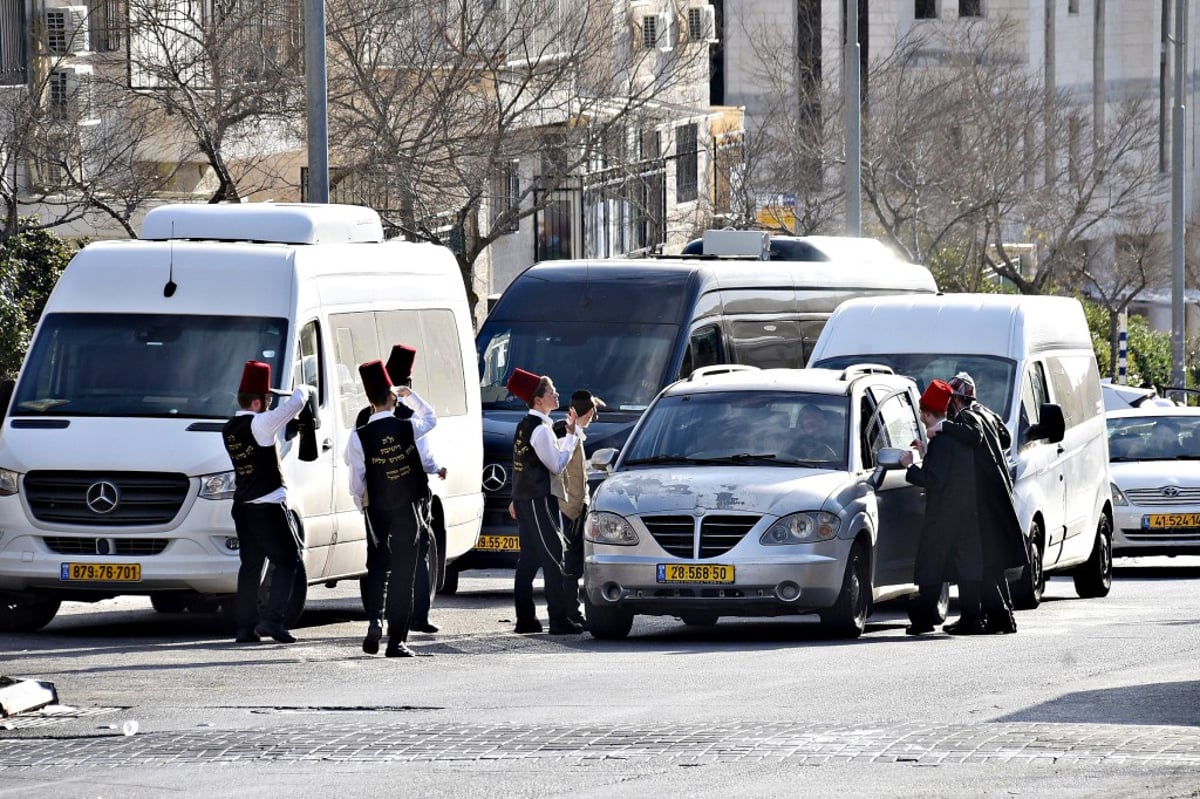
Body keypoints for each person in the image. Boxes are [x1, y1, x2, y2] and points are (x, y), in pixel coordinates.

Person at [346, 359, 438, 657]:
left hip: (377, 510)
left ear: (369, 401)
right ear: (392, 397)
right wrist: (409, 394)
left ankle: (374, 620)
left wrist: (364, 507)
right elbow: (431, 417)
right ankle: (396, 640)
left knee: (376, 569)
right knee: (403, 574)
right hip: (407, 508)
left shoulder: (357, 436)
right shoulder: (408, 425)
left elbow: (356, 482)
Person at [222, 360, 314, 644]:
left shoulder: (229, 428)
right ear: (259, 401)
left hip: (243, 505)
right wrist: (305, 387)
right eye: (269, 399)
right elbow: (296, 402)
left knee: (250, 567)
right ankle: (273, 619)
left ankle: (245, 627)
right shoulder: (260, 424)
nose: (272, 402)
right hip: (268, 506)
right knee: (289, 560)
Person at [936, 372, 1029, 635]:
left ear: (956, 400)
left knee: (979, 562)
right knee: (991, 561)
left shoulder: (968, 417)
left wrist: (942, 427)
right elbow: (1006, 439)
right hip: (995, 498)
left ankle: (984, 617)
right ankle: (1001, 616)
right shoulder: (987, 412)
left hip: (981, 501)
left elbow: (973, 436)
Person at [899, 379, 979, 636]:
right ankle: (971, 616)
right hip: (962, 512)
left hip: (942, 516)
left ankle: (923, 618)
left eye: (922, 414)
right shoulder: (952, 438)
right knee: (964, 566)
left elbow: (932, 479)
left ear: (926, 413)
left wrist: (909, 467)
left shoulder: (943, 442)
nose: (922, 420)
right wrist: (926, 452)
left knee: (930, 568)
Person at [507, 367, 582, 635]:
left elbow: (518, 465)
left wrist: (514, 498)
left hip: (526, 500)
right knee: (553, 557)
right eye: (551, 391)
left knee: (528, 560)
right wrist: (572, 436)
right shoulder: (540, 430)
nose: (556, 394)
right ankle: (558, 620)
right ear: (539, 399)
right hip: (538, 500)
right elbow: (556, 465)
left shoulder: (525, 425)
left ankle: (525, 619)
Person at [552, 390, 604, 627]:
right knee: (570, 562)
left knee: (574, 561)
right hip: (567, 509)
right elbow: (558, 468)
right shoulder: (566, 433)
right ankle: (570, 611)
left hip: (575, 506)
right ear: (591, 412)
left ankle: (571, 609)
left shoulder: (573, 432)